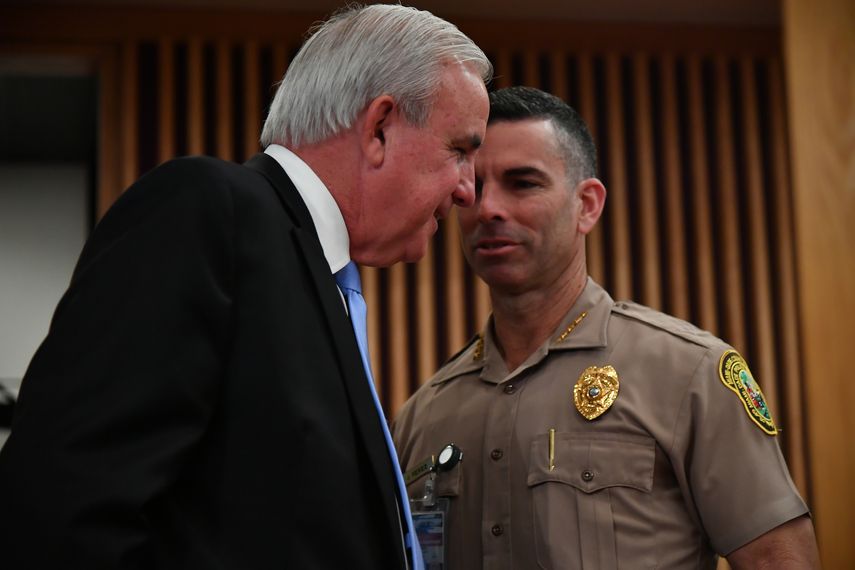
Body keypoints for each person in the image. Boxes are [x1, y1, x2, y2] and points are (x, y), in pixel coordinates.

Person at [0, 5, 490, 569]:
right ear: (379, 127)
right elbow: (59, 510)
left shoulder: (315, 271)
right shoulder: (207, 212)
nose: (468, 191)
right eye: (460, 150)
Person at [392, 86, 820, 569]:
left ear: (588, 205)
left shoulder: (688, 374)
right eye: (473, 188)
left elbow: (779, 559)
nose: (488, 208)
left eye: (523, 183)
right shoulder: (424, 414)